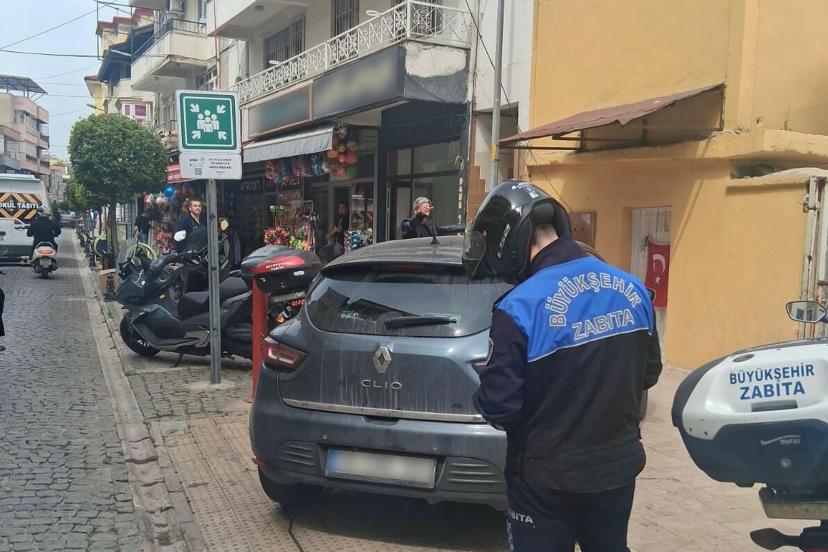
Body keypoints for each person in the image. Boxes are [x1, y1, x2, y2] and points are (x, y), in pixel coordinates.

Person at [462, 181, 662, 552]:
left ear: (506, 241)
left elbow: (501, 408)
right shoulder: (633, 289)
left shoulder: (519, 307)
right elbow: (649, 373)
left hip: (545, 477)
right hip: (617, 467)